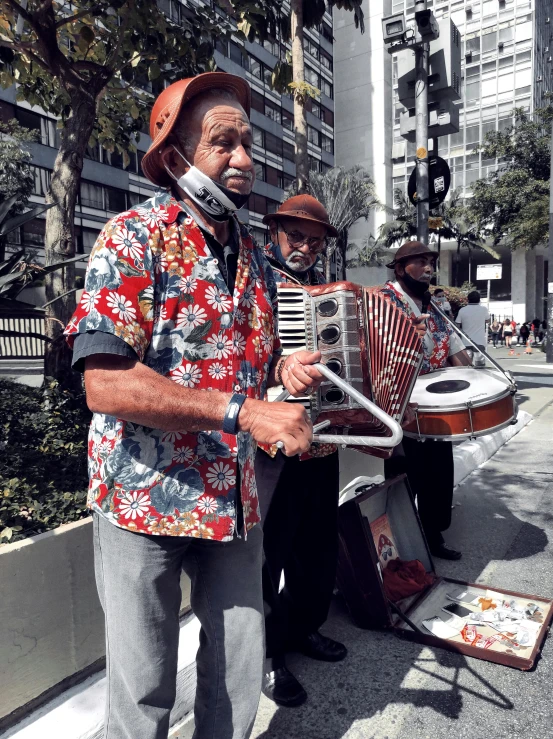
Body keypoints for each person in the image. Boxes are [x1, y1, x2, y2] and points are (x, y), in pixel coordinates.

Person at [63, 72, 326, 739]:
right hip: (142, 501)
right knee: (143, 684)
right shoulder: (131, 237)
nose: (243, 159)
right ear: (176, 156)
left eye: (247, 143)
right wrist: (242, 411)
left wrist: (281, 370)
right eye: (223, 143)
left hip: (233, 502)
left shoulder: (257, 262)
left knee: (237, 674)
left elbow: (252, 362)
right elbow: (105, 382)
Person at [254, 195, 345, 709]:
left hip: (324, 437)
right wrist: (278, 365)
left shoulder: (325, 291)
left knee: (316, 547)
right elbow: (242, 352)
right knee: (270, 553)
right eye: (296, 236)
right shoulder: (257, 282)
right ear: (276, 233)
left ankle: (303, 628)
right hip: (274, 441)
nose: (305, 247)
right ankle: (268, 656)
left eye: (314, 240)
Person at [380, 241, 472, 561]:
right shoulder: (383, 300)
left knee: (437, 475)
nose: (430, 268)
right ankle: (396, 549)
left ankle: (433, 538)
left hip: (435, 408)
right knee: (402, 480)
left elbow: (458, 351)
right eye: (421, 262)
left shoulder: (435, 305)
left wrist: (476, 383)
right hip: (397, 409)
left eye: (431, 262)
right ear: (402, 267)